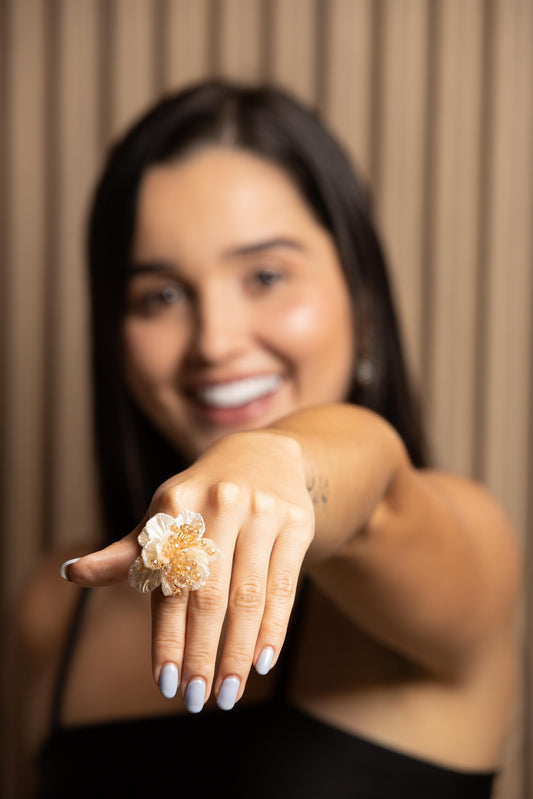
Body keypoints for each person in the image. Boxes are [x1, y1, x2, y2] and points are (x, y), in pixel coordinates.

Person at [9, 80, 521, 799]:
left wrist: (277, 457)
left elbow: (373, 482)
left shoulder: (462, 548)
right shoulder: (54, 606)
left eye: (266, 275)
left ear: (363, 302)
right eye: (161, 294)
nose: (214, 342)